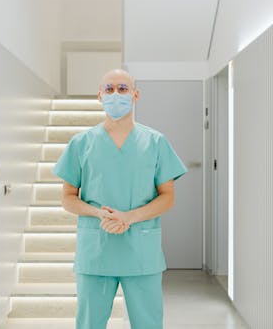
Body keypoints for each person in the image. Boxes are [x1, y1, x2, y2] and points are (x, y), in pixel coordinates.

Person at [52, 68, 188, 329]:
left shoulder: (155, 142)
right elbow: (68, 198)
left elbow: (168, 197)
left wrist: (129, 217)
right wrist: (99, 213)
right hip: (97, 249)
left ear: (136, 95)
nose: (116, 94)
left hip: (140, 250)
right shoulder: (81, 144)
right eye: (109, 89)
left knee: (148, 323)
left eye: (123, 89)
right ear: (100, 96)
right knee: (89, 323)